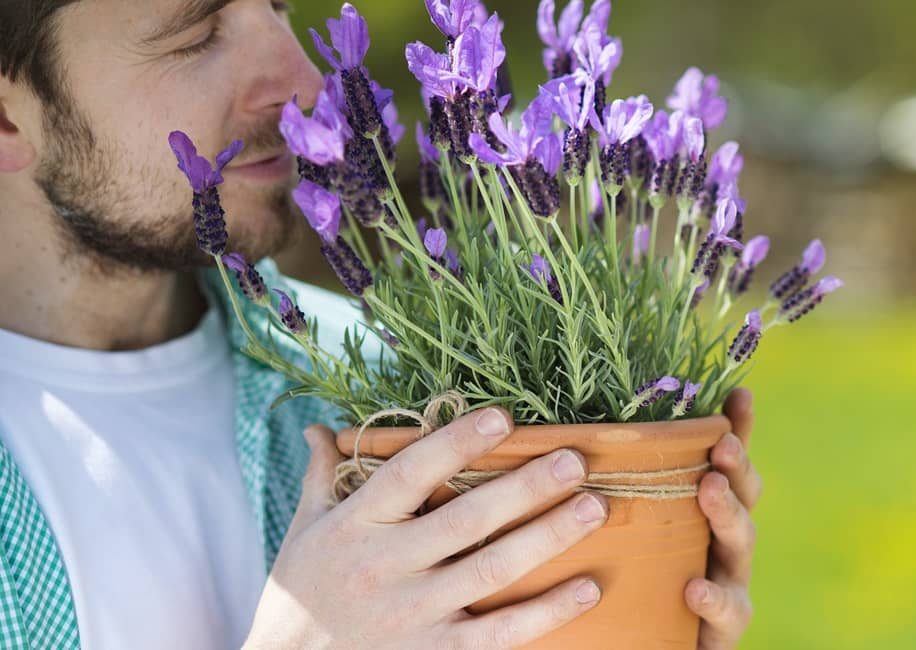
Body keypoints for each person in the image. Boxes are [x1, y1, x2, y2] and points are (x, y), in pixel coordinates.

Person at [0, 1, 762, 647]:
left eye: (279, 7)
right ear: (7, 117)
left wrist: (640, 603)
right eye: (194, 32)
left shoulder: (385, 379)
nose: (303, 82)